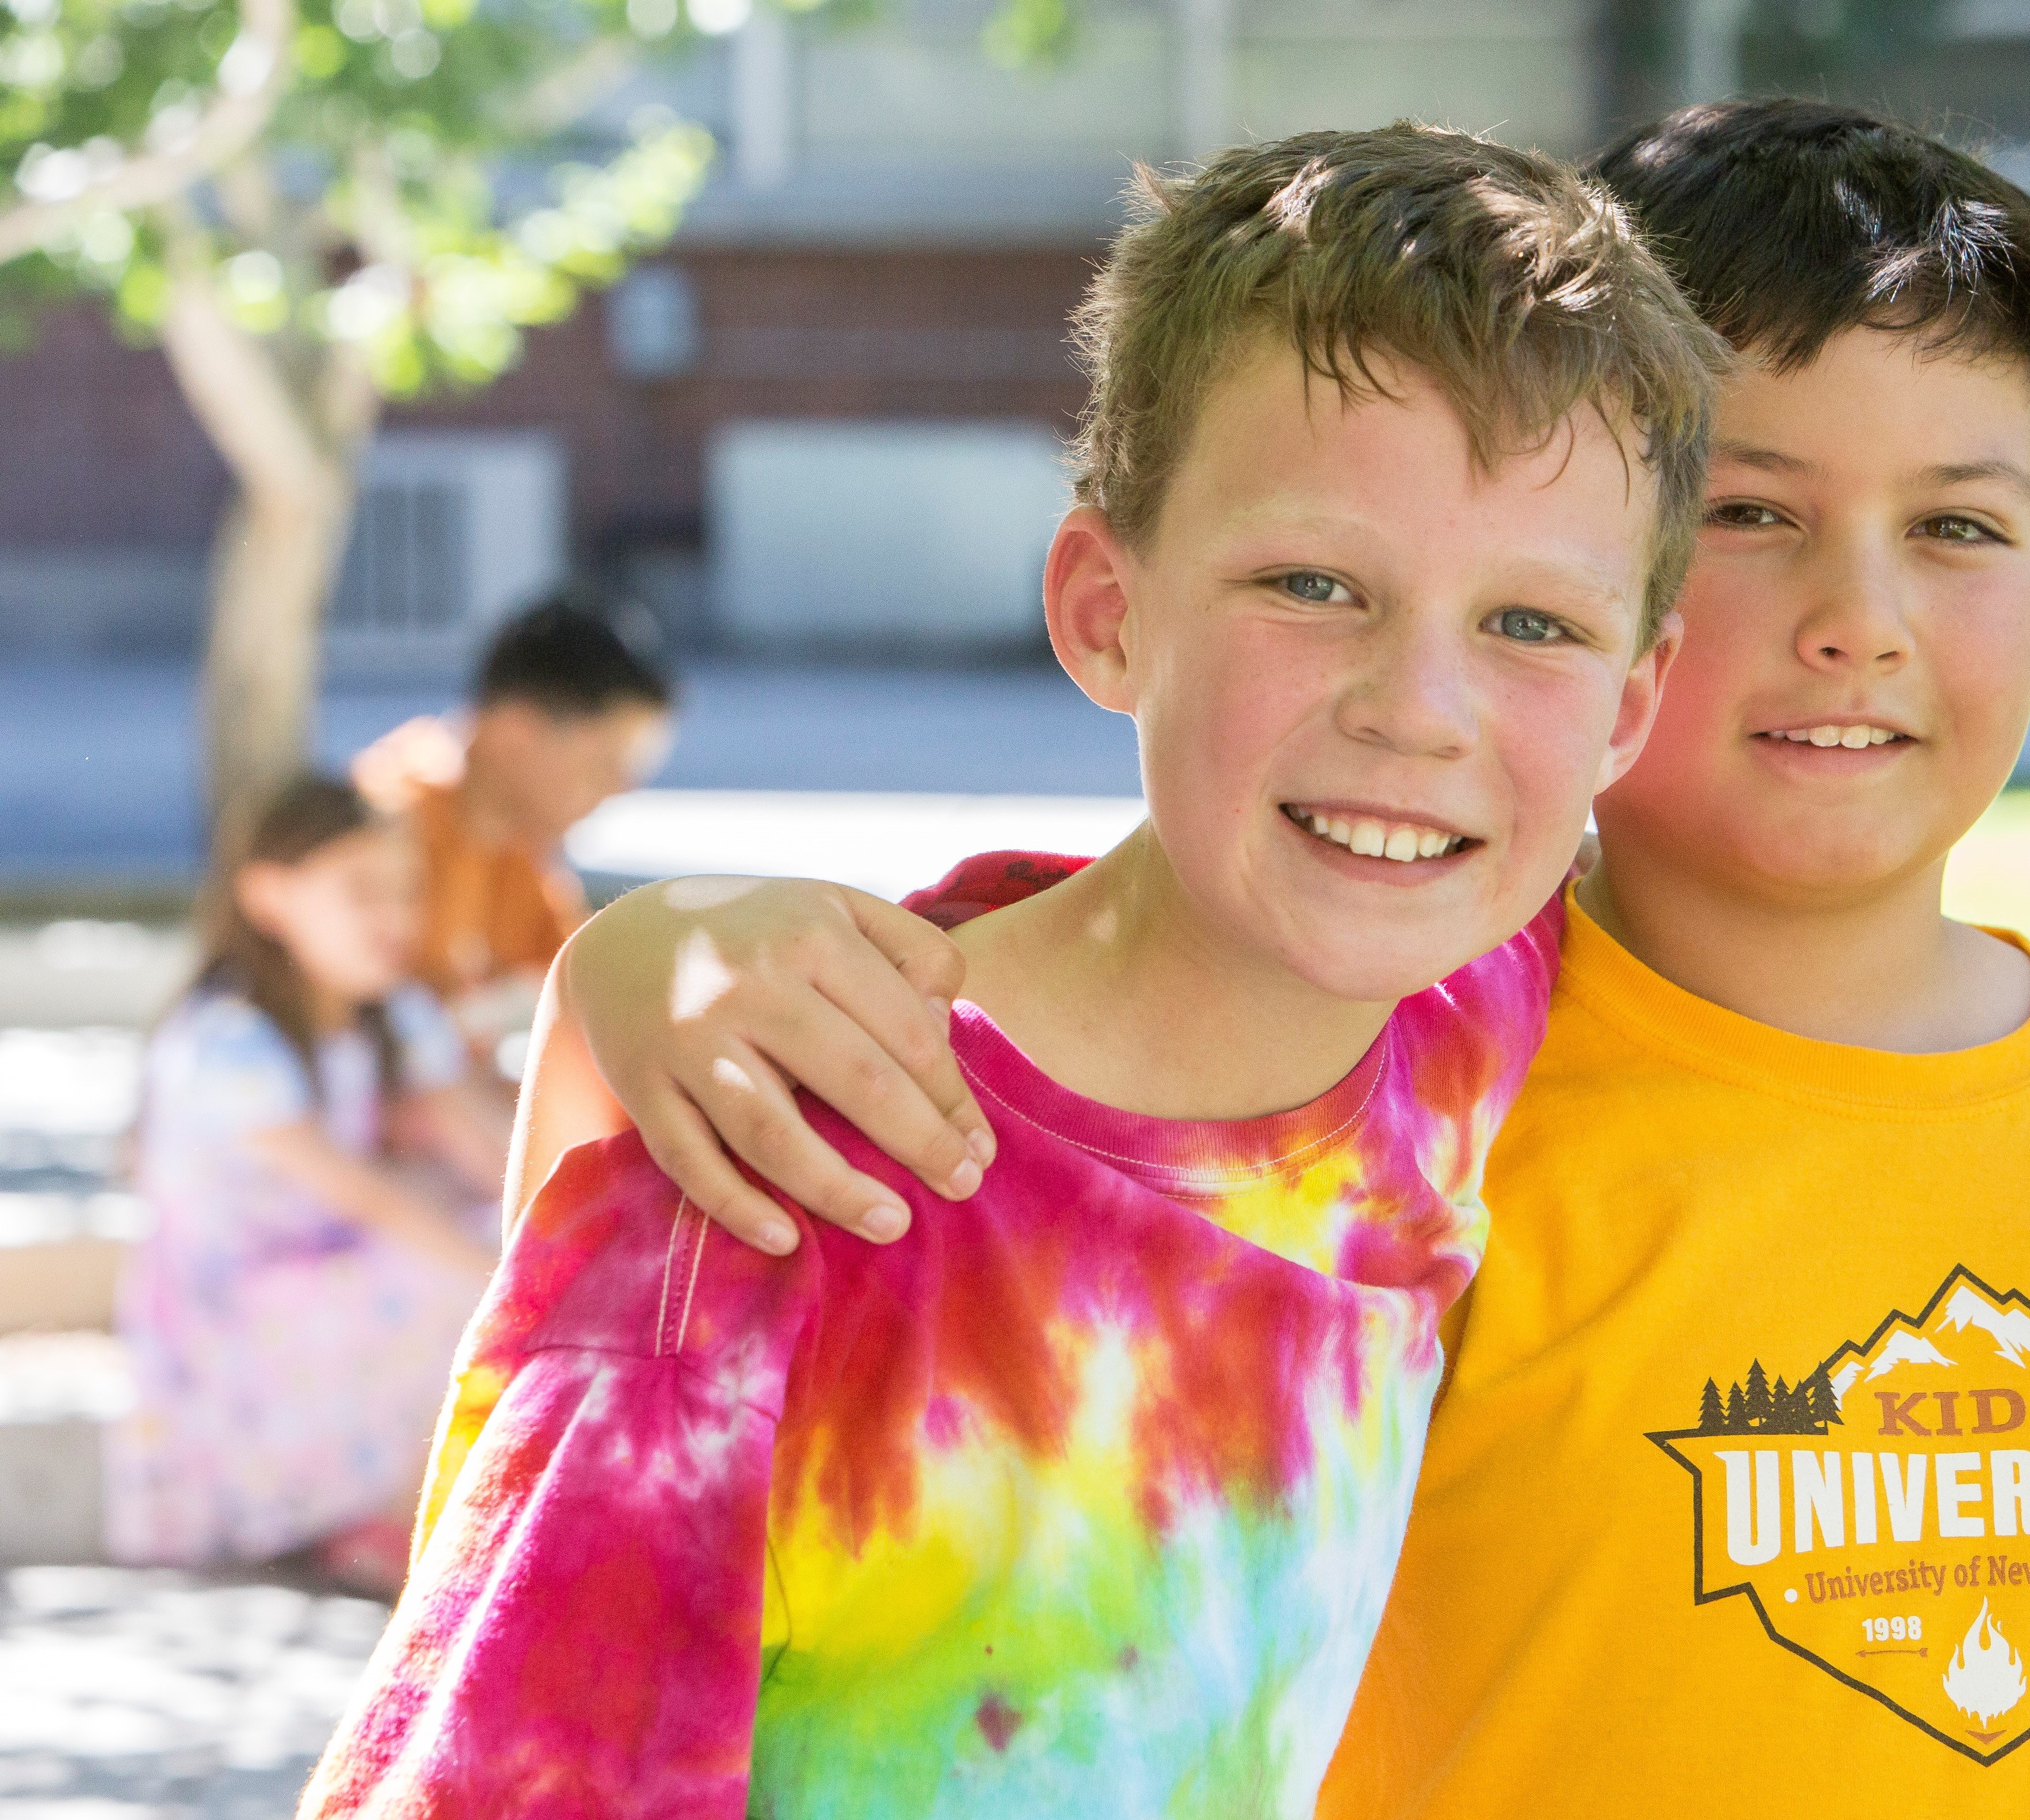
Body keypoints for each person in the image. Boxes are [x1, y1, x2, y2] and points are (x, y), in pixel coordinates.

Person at [524, 105, 2030, 1814]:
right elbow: (1067, 1025)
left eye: (1955, 530)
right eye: (1744, 511)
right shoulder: (1379, 1101)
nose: (1854, 618)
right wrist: (642, 955)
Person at [298, 122, 1723, 1817]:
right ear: (1106, 610)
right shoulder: (785, 1189)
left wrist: (624, 949)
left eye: (1532, 626)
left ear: (1631, 706)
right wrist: (623, 966)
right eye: (1313, 583)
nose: (1420, 709)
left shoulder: (1472, 1008)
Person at [103, 775, 503, 1597]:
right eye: (361, 890)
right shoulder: (227, 1041)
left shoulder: (391, 1014)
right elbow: (366, 1197)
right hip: (232, 1322)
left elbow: (487, 1145)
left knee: (489, 1234)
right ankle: (392, 1522)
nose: (392, 917)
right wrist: (506, 1278)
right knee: (457, 1285)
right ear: (270, 896)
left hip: (329, 1283)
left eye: (406, 890)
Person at [352, 587, 676, 1070]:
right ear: (517, 732)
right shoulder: (384, 829)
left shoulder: (518, 846)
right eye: (605, 766)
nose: (618, 792)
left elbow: (579, 979)